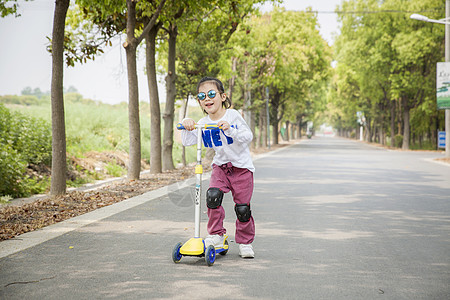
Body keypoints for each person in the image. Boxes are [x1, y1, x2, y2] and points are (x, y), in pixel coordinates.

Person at [180, 76, 255, 258]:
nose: (207, 98)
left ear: (223, 96)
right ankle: (216, 235)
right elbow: (188, 140)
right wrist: (186, 123)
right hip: (221, 167)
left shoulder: (233, 115)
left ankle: (245, 242)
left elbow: (248, 136)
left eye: (212, 94)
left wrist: (230, 129)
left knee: (242, 208)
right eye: (202, 96)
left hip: (242, 168)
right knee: (213, 197)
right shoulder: (204, 122)